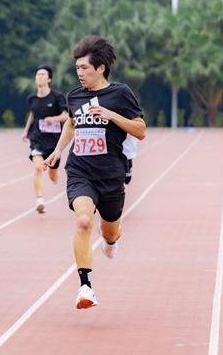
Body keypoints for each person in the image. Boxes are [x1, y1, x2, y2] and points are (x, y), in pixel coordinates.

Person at [44, 36, 146, 309]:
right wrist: (58, 151)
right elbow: (72, 125)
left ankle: (111, 242)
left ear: (101, 68)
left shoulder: (120, 93)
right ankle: (85, 287)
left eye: (85, 68)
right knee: (84, 222)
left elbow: (140, 130)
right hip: (80, 172)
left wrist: (111, 115)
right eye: (77, 68)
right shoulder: (74, 96)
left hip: (111, 175)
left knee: (110, 230)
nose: (80, 73)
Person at [21, 65, 68, 213]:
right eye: (37, 74)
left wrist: (52, 119)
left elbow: (66, 116)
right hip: (37, 138)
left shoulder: (57, 97)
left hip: (54, 141)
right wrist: (26, 131)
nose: (39, 77)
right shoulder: (32, 98)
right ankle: (40, 199)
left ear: (49, 79)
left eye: (43, 74)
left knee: (53, 174)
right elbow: (33, 114)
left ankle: (54, 172)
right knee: (38, 167)